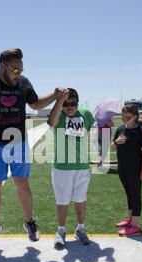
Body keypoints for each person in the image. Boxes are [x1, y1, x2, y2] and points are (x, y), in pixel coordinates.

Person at [0, 48, 60, 247]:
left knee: (22, 184)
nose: (20, 74)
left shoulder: (23, 82)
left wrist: (55, 95)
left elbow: (35, 104)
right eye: (16, 70)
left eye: (21, 69)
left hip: (18, 143)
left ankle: (29, 223)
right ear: (2, 66)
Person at [47, 88, 94, 249]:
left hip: (82, 166)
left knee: (80, 199)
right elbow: (51, 123)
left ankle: (81, 229)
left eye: (72, 103)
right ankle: (60, 231)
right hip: (62, 166)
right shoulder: (58, 114)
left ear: (77, 103)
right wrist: (59, 100)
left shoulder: (86, 114)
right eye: (66, 104)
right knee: (62, 200)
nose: (69, 107)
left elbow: (90, 131)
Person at [113, 104, 142, 237]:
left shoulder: (141, 131)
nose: (124, 118)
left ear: (135, 116)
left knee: (135, 195)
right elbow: (112, 147)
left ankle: (135, 226)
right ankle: (130, 220)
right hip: (122, 168)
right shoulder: (120, 129)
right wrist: (117, 142)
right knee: (129, 194)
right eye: (123, 116)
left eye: (128, 116)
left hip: (135, 169)